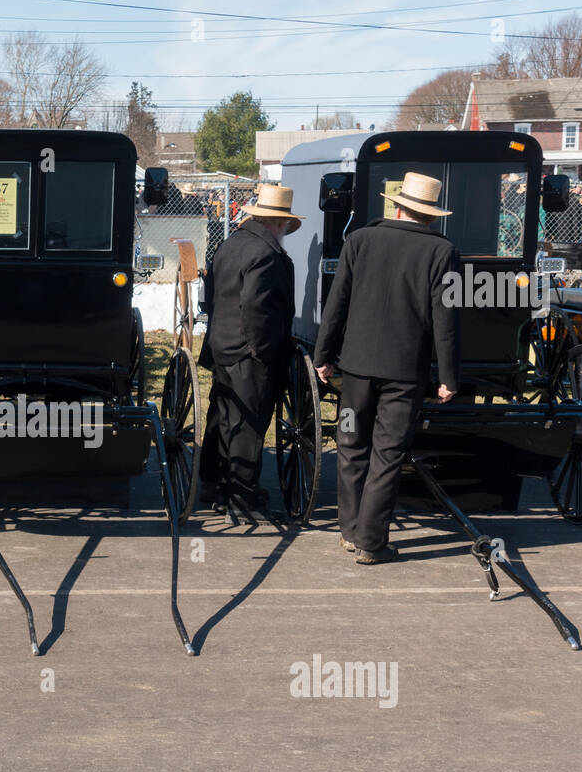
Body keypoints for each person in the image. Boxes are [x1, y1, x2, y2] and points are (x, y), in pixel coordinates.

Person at [314, 171, 461, 564]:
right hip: (405, 372)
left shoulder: (358, 240)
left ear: (396, 205)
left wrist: (323, 356)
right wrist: (447, 376)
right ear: (430, 215)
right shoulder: (442, 252)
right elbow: (445, 318)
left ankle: (348, 530)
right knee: (388, 453)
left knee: (350, 443)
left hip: (356, 370)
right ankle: (371, 541)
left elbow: (336, 305)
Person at [196, 183, 301, 518]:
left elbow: (211, 294)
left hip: (222, 345)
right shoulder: (267, 255)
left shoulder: (231, 245)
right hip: (249, 353)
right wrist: (264, 351)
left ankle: (212, 484)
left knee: (223, 418)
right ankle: (240, 500)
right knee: (247, 427)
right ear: (279, 223)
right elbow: (257, 309)